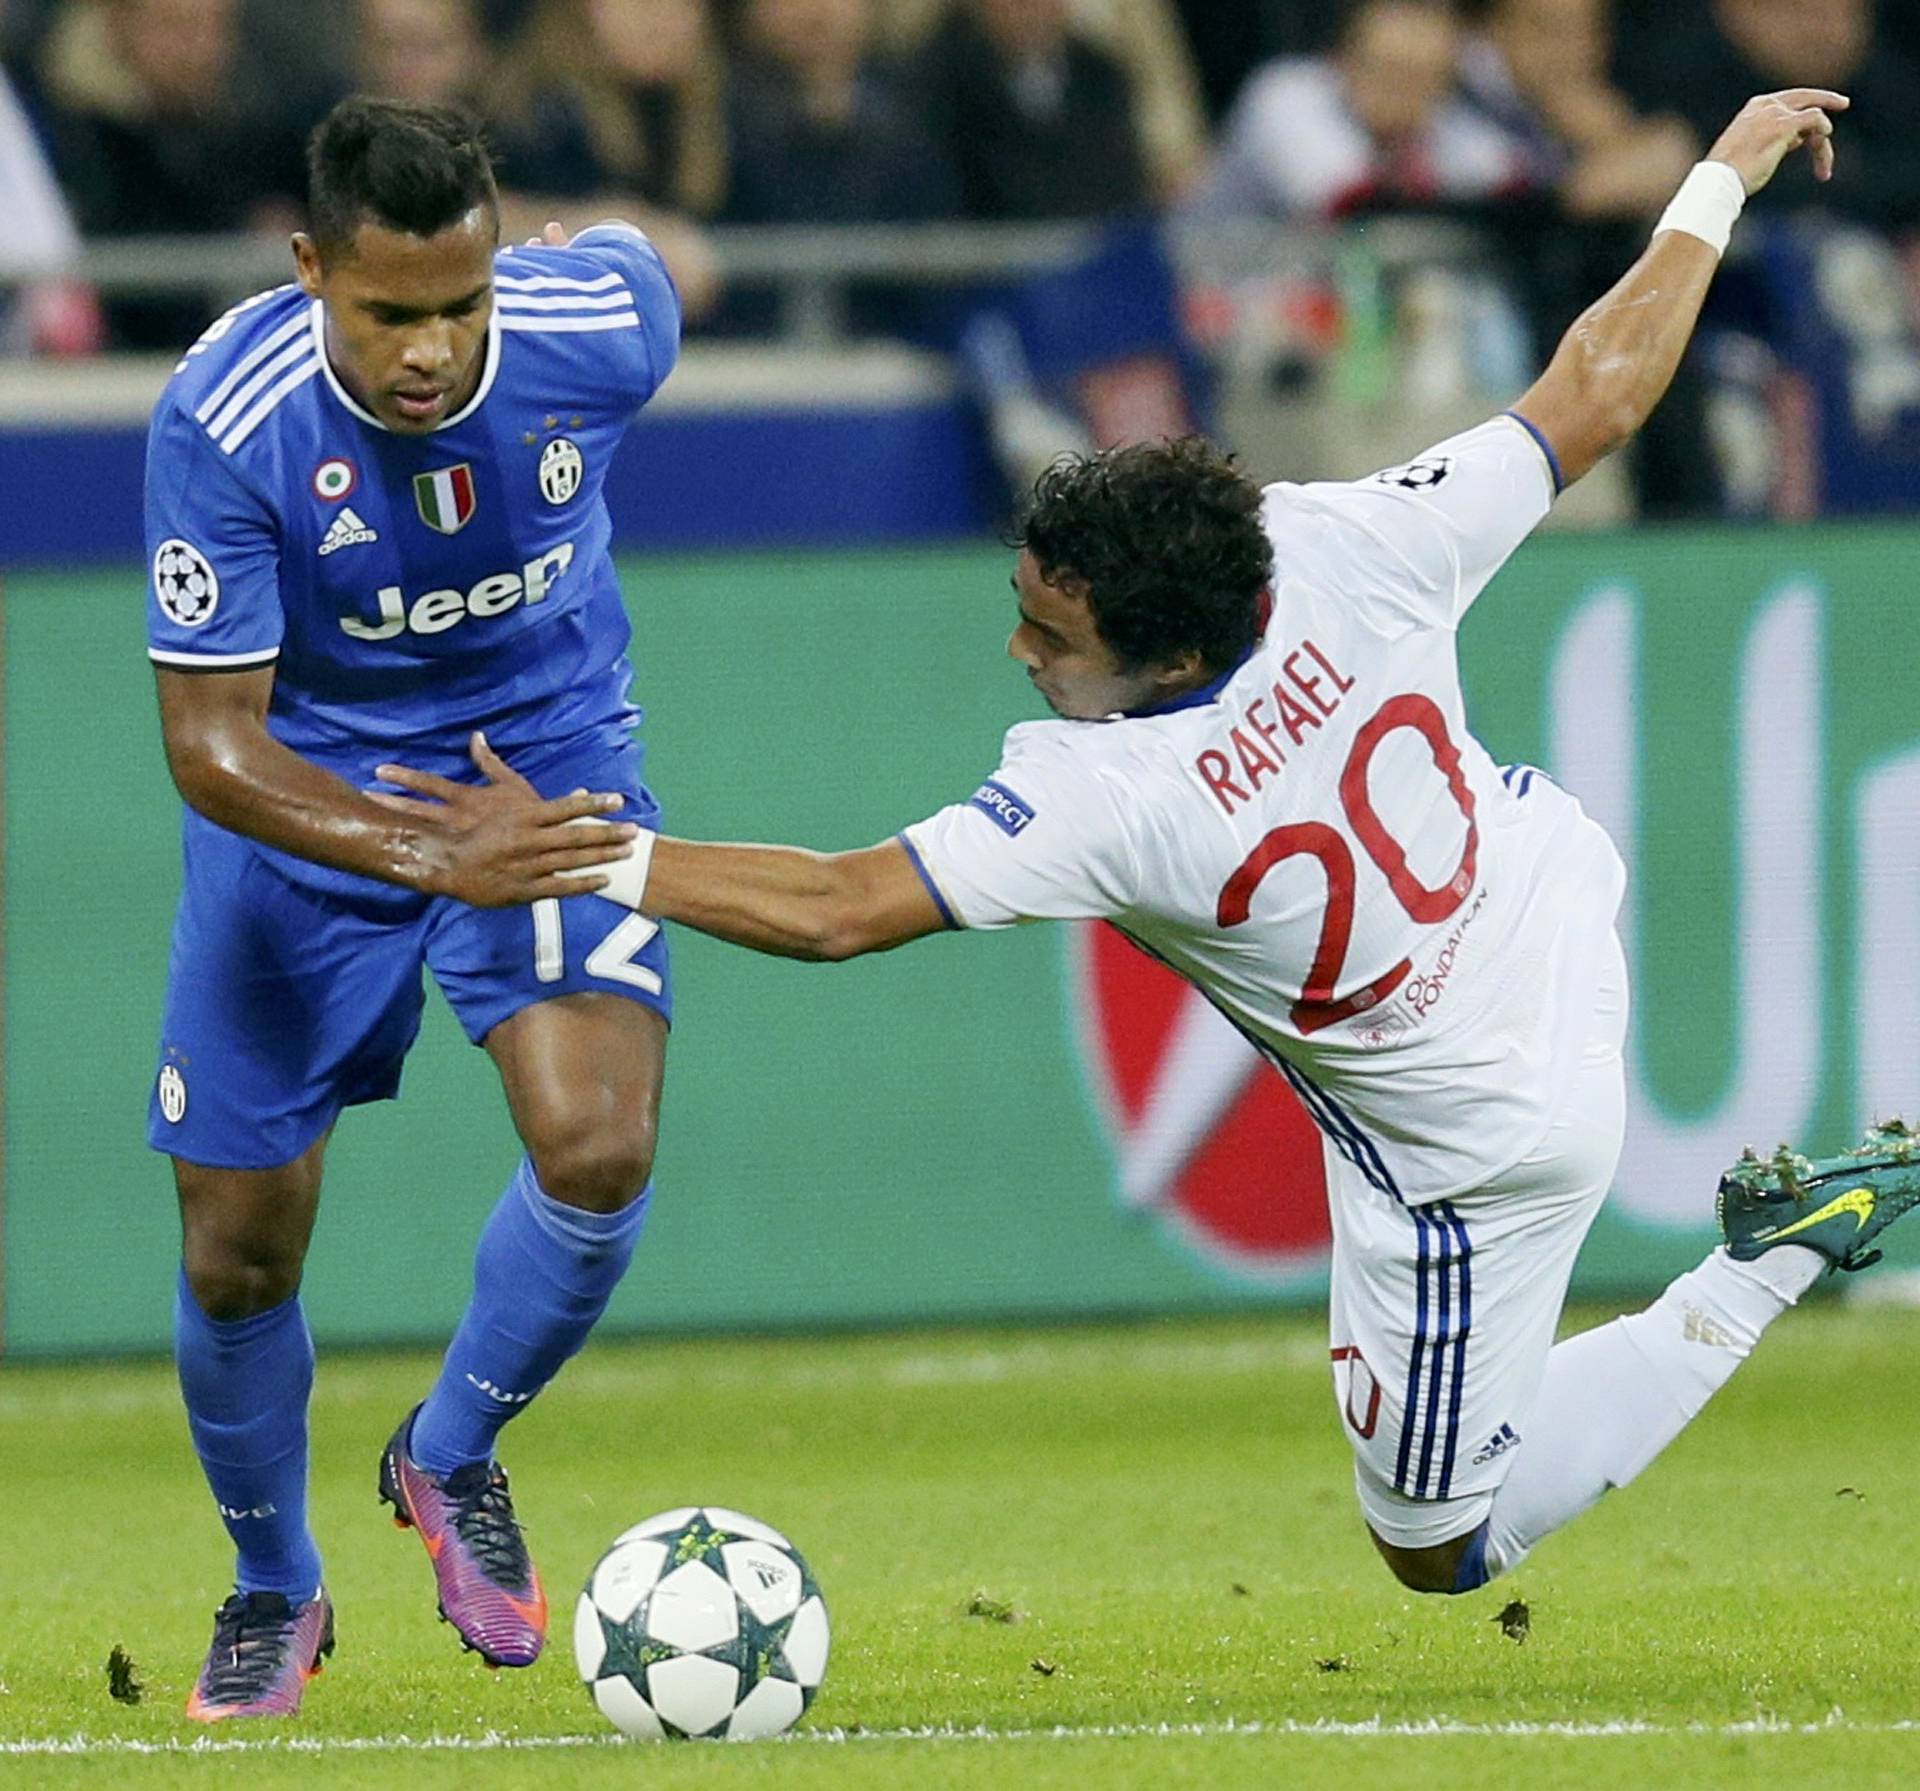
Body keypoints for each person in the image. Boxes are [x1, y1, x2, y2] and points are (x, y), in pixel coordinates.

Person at [387, 90, 1920, 1599]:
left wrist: (585, 856)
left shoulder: (1112, 796)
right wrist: (1715, 173)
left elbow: (841, 906)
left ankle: (1773, 1255)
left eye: (1049, 631)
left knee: (1440, 1547)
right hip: (1555, 897)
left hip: (1476, 1153)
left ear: (1163, 657)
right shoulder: (1335, 541)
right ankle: (1772, 1234)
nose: (1017, 652)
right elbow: (1602, 384)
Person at [144, 96, 674, 1720]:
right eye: (390, 315)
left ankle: (446, 1452)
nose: (434, 350)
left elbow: (631, 265)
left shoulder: (603, 330)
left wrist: (485, 840)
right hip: (308, 800)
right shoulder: (224, 421)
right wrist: (424, 854)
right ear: (311, 271)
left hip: (546, 762)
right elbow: (209, 746)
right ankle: (274, 1585)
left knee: (598, 1147)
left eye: (464, 304)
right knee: (239, 1253)